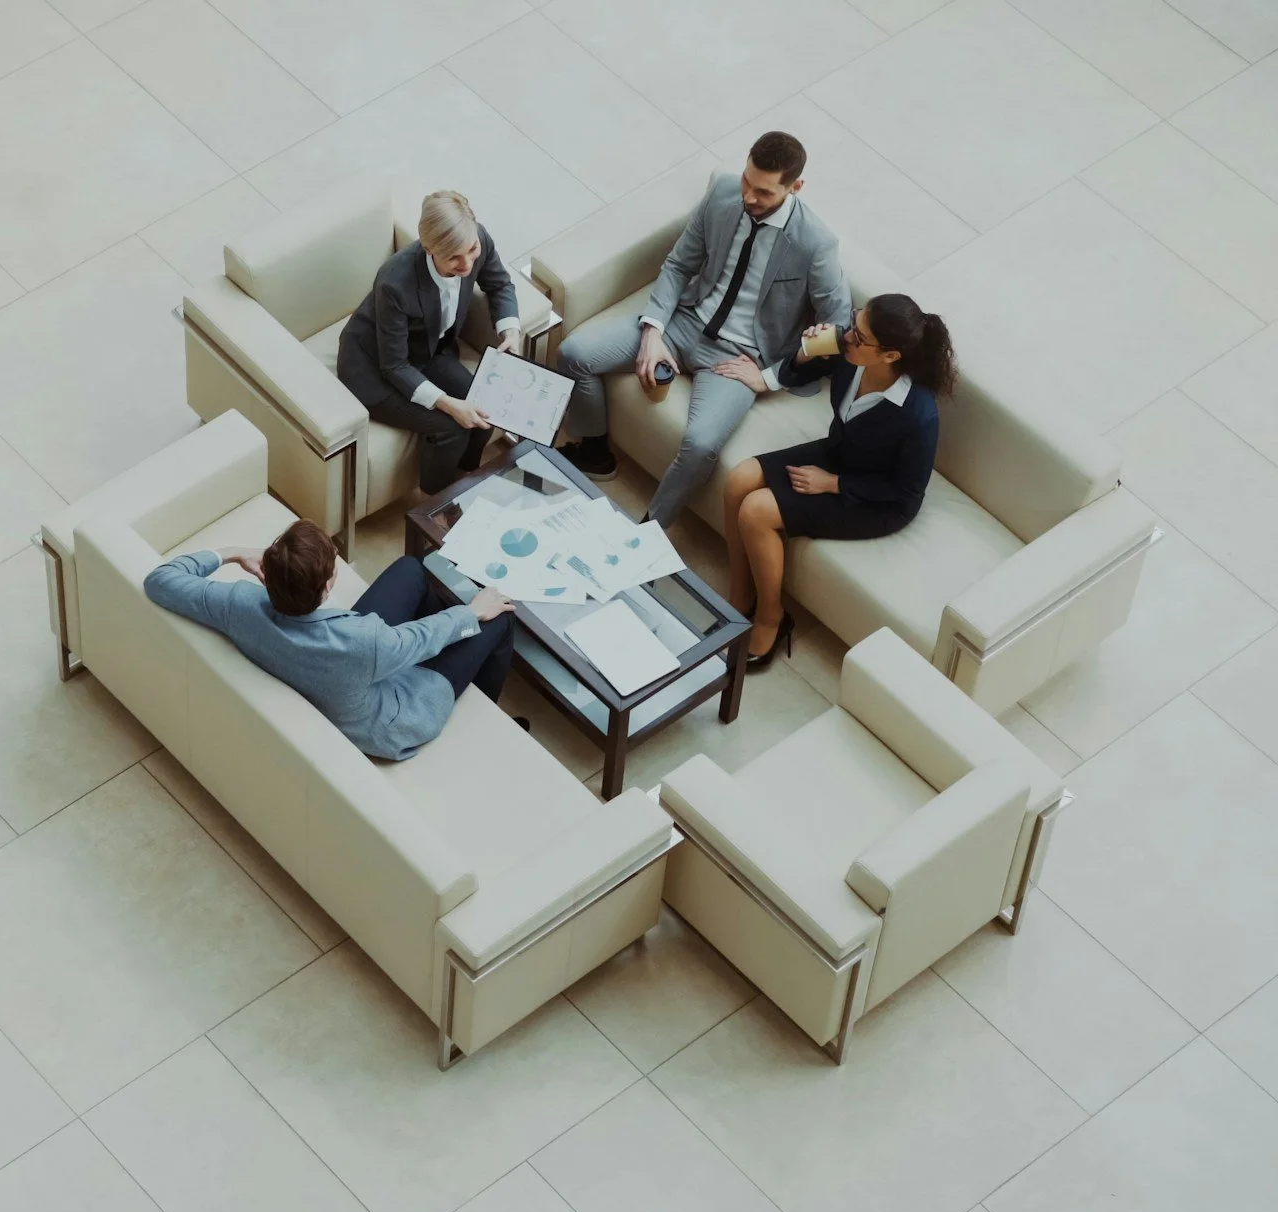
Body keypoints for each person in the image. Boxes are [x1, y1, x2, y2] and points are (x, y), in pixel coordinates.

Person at [556, 132, 852, 527]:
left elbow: (839, 327)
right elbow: (679, 264)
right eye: (747, 181)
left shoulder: (816, 244)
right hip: (684, 321)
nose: (749, 196)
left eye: (763, 192)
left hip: (739, 359)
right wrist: (653, 331)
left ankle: (648, 534)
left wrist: (770, 377)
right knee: (574, 353)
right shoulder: (724, 193)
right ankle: (594, 452)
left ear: (795, 187)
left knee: (700, 444)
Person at [143, 520, 520, 760]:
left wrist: (231, 553)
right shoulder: (364, 641)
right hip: (387, 717)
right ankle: (477, 702)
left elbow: (160, 580)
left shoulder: (238, 604)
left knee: (410, 569)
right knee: (497, 621)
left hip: (338, 668)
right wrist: (473, 612)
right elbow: (420, 638)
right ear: (327, 586)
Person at [718, 293, 956, 669]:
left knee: (756, 512)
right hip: (840, 452)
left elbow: (907, 490)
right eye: (854, 320)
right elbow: (798, 374)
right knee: (739, 480)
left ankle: (772, 618)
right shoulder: (849, 354)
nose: (848, 335)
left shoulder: (917, 415)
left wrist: (835, 484)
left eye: (860, 337)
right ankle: (738, 597)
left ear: (890, 356)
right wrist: (804, 354)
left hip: (876, 500)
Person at [336, 190, 522, 493]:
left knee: (483, 407)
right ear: (428, 248)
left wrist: (510, 332)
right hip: (374, 369)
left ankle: (465, 477)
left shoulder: (478, 240)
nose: (466, 265)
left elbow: (500, 283)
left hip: (430, 352)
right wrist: (449, 405)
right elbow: (394, 365)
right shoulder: (394, 282)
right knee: (453, 427)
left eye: (471, 250)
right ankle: (437, 502)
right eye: (453, 258)